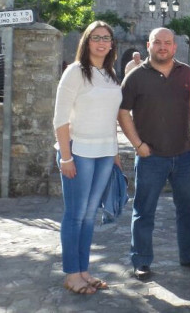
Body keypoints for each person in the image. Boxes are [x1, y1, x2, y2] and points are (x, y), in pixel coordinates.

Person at [118, 28, 190, 281]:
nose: (163, 47)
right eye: (157, 42)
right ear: (148, 44)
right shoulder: (135, 77)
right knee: (144, 211)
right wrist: (137, 144)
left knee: (188, 210)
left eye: (168, 42)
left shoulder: (187, 73)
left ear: (175, 47)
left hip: (184, 155)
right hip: (150, 157)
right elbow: (122, 113)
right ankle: (141, 261)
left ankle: (189, 256)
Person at [53, 21, 122, 294]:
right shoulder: (74, 72)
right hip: (78, 152)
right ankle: (71, 273)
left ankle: (83, 270)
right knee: (75, 214)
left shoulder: (110, 74)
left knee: (90, 215)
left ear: (112, 43)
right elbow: (59, 119)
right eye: (96, 38)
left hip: (104, 153)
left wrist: (115, 153)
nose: (102, 42)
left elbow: (110, 118)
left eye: (107, 38)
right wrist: (66, 157)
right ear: (87, 41)